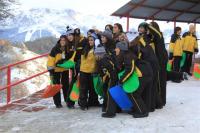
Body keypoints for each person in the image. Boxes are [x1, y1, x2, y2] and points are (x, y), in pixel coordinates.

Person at [135, 22, 162, 111]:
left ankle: (151, 106)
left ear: (146, 29)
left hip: (152, 64)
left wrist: (149, 26)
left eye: (142, 27)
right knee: (148, 86)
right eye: (139, 27)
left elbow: (158, 34)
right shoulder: (137, 38)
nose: (140, 29)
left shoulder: (150, 37)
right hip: (145, 64)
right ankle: (153, 104)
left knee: (152, 86)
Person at [47, 35, 74, 108]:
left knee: (66, 86)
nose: (63, 42)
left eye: (64, 40)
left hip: (64, 69)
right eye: (61, 40)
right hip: (55, 70)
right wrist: (51, 70)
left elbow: (70, 58)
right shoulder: (55, 49)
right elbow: (50, 60)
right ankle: (57, 103)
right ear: (59, 41)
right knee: (56, 86)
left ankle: (67, 100)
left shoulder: (67, 49)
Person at [96, 30, 119, 118]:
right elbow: (99, 60)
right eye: (101, 37)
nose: (102, 38)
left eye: (104, 37)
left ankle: (111, 112)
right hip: (106, 73)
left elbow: (114, 61)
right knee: (106, 90)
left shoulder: (112, 48)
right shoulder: (101, 46)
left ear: (108, 38)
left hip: (111, 73)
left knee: (110, 91)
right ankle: (107, 107)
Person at [148, 22, 168, 106]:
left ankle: (161, 101)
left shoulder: (159, 36)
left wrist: (147, 25)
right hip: (155, 62)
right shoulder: (151, 37)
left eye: (151, 27)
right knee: (156, 82)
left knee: (161, 81)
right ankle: (156, 100)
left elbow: (156, 33)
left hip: (161, 61)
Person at [79, 35, 100, 110]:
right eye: (89, 40)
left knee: (93, 88)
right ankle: (83, 104)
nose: (90, 41)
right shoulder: (85, 49)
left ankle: (93, 102)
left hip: (93, 71)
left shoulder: (97, 49)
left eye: (92, 40)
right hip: (84, 71)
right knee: (83, 89)